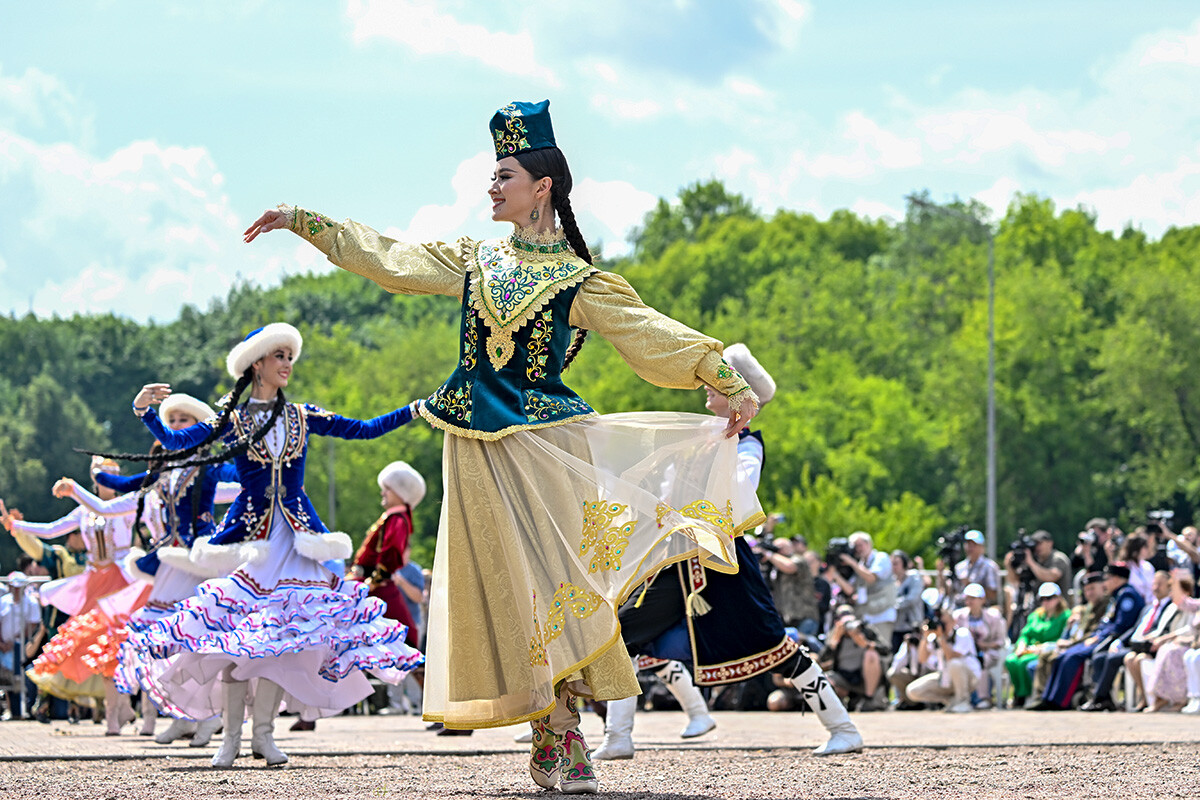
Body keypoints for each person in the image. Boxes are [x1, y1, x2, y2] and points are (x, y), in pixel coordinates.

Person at [244, 100, 771, 793]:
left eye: (505, 175)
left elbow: (649, 334)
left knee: (560, 585)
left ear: (541, 185)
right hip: (475, 444)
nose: (492, 187)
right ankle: (546, 727)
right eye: (492, 176)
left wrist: (723, 377)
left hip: (549, 444)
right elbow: (391, 260)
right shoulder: (472, 260)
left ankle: (564, 730)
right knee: (503, 591)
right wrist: (306, 223)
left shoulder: (580, 281)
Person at [114, 323, 423, 768]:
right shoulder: (233, 419)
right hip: (250, 544)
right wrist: (143, 411)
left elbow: (364, 429)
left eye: (289, 356)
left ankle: (264, 735)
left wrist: (418, 407)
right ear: (256, 362)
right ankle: (230, 740)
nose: (287, 364)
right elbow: (178, 442)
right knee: (234, 639)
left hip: (297, 544)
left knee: (282, 642)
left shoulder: (302, 415)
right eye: (279, 355)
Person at [585, 342, 860, 762]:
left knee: (773, 646)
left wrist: (689, 508)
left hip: (724, 563)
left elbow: (741, 493)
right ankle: (617, 736)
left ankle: (842, 727)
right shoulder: (695, 441)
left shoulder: (747, 445)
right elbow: (665, 495)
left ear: (737, 394)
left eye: (716, 383)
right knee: (623, 634)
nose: (706, 390)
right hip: (677, 563)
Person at [74, 393, 240, 744]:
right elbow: (122, 488)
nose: (177, 425)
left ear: (199, 426)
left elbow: (246, 483)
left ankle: (210, 715)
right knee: (164, 639)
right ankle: (184, 714)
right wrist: (82, 485)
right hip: (170, 561)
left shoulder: (211, 465)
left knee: (202, 639)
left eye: (184, 420)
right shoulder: (164, 471)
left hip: (200, 561)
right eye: (173, 420)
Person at [1, 460, 142, 733]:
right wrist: (18, 526)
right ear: (94, 479)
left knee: (118, 647)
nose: (107, 480)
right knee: (97, 649)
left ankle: (121, 708)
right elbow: (52, 529)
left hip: (122, 583)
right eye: (102, 475)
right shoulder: (83, 511)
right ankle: (116, 711)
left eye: (113, 475)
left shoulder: (128, 505)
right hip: (95, 584)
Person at [348, 461, 426, 723]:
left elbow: (390, 555)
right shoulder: (395, 516)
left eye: (388, 488)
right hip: (372, 586)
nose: (383, 493)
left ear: (400, 492)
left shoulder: (397, 518)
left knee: (409, 642)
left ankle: (439, 709)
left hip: (378, 590)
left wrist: (369, 583)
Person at [1030, 562, 1144, 711]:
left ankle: (1062, 701)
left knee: (1073, 657)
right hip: (1101, 637)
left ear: (1117, 579)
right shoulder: (1118, 596)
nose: (1105, 583)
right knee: (1063, 655)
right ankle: (1049, 698)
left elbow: (1121, 626)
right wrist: (1099, 633)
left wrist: (1099, 636)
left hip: (1113, 640)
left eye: (1108, 578)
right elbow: (1107, 622)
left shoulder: (1127, 595)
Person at [1081, 570, 1177, 712]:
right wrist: (1119, 641)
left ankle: (1100, 698)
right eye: (1154, 584)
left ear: (1169, 587)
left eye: (1160, 584)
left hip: (1151, 646)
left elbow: (1164, 630)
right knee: (1100, 656)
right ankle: (1105, 698)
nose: (1155, 587)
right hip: (1135, 644)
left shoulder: (1170, 607)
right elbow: (1134, 629)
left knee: (1113, 658)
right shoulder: (1149, 608)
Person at [1030, 572, 1108, 701]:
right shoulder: (1085, 608)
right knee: (1045, 657)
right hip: (1075, 642)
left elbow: (1095, 632)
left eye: (1092, 588)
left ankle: (1059, 699)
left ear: (1102, 587)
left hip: (1086, 644)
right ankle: (1043, 696)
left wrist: (1070, 643)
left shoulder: (1105, 606)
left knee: (1061, 657)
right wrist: (1070, 628)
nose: (1089, 593)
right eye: (1087, 590)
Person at [825, 531, 898, 645]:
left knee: (881, 649)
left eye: (860, 545)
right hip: (866, 615)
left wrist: (852, 562)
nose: (858, 549)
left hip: (882, 614)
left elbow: (871, 578)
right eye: (855, 546)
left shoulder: (880, 557)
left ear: (869, 543)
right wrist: (835, 574)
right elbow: (850, 589)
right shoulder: (860, 564)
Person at [1004, 583, 1069, 708]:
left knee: (1025, 663)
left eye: (1049, 598)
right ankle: (1018, 693)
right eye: (1042, 599)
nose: (1045, 602)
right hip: (1029, 650)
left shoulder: (1065, 616)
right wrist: (1021, 645)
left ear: (1058, 598)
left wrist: (1043, 647)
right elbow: (1025, 634)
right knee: (1011, 660)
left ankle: (1027, 695)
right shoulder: (1036, 615)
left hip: (1048, 651)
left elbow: (1063, 638)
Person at [1137, 573, 1195, 711]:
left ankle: (1180, 699)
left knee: (1171, 652)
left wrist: (1170, 638)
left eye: (1175, 589)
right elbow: (1162, 629)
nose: (1172, 592)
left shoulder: (1193, 606)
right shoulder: (1172, 607)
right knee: (1166, 650)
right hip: (1173, 645)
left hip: (1187, 644)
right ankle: (1159, 698)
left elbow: (1190, 630)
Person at [905, 607, 980, 713]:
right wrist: (925, 637)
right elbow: (922, 659)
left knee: (954, 664)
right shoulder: (933, 638)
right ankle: (952, 701)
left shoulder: (962, 633)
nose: (942, 626)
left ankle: (963, 702)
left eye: (945, 623)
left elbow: (951, 657)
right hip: (945, 678)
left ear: (954, 622)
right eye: (940, 623)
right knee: (912, 691)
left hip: (969, 678)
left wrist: (941, 638)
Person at [951, 583, 1007, 708]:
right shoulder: (958, 616)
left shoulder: (994, 616)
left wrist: (985, 645)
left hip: (988, 652)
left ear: (982, 599)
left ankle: (983, 697)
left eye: (973, 598)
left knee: (981, 660)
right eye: (967, 598)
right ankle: (963, 698)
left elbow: (1000, 641)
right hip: (966, 653)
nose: (969, 602)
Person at [938, 530, 1001, 608]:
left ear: (982, 547)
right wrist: (941, 573)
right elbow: (949, 592)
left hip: (981, 610)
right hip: (958, 608)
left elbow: (993, 596)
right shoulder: (959, 567)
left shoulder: (990, 566)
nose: (970, 548)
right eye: (968, 544)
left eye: (974, 545)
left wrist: (971, 585)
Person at [891, 550, 927, 656]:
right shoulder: (891, 581)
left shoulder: (914, 577)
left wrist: (892, 606)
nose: (893, 567)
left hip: (912, 626)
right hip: (896, 627)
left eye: (896, 563)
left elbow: (912, 599)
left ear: (904, 563)